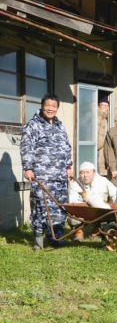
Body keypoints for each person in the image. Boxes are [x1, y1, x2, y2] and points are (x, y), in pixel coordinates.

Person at [20, 93, 73, 250]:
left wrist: (68, 167)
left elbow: (66, 148)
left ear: (57, 108)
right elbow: (26, 147)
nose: (50, 108)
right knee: (40, 207)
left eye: (54, 106)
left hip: (60, 176)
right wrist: (28, 167)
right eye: (47, 105)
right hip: (42, 176)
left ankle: (56, 238)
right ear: (42, 106)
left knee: (59, 207)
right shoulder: (33, 125)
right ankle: (38, 241)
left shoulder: (59, 126)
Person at [68, 162, 117, 241]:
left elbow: (115, 192)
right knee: (71, 214)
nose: (85, 175)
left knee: (106, 212)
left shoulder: (102, 181)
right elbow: (72, 202)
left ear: (94, 172)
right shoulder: (75, 185)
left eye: (88, 172)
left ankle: (97, 230)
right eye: (82, 173)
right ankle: (78, 231)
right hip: (82, 212)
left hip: (99, 212)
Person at [97, 96, 109, 174]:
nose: (104, 107)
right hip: (93, 145)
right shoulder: (96, 115)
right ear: (99, 105)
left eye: (106, 105)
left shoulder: (105, 117)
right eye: (102, 105)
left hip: (99, 146)